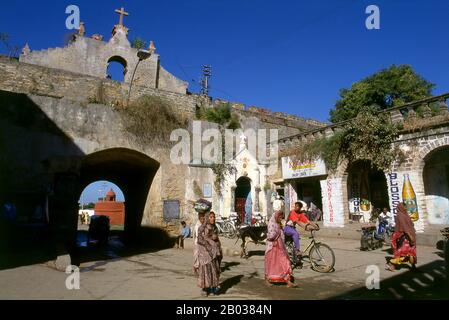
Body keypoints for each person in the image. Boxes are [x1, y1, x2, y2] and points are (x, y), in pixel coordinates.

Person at [265, 210, 296, 287]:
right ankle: (268, 279)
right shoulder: (272, 224)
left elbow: (282, 234)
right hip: (273, 247)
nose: (280, 219)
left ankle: (288, 281)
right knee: (272, 264)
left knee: (285, 261)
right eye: (279, 217)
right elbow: (271, 235)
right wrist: (278, 231)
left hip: (280, 247)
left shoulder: (279, 224)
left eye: (281, 217)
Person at [284, 202, 318, 267]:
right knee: (296, 234)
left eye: (297, 206)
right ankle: (297, 250)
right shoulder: (292, 213)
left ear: (300, 208)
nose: (296, 207)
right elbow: (298, 222)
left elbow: (307, 221)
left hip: (293, 228)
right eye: (295, 206)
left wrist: (315, 226)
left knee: (295, 236)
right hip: (287, 228)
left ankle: (296, 258)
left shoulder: (300, 214)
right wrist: (306, 227)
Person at [197, 211, 222, 296]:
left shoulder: (215, 227)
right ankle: (204, 288)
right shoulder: (202, 228)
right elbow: (199, 240)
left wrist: (218, 249)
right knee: (205, 270)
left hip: (214, 252)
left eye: (214, 217)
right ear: (207, 218)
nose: (213, 218)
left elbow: (217, 238)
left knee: (214, 270)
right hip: (205, 254)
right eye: (211, 217)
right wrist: (209, 242)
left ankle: (213, 287)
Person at [386, 203, 417, 271]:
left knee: (412, 253)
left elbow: (411, 224)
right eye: (404, 207)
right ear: (401, 208)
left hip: (410, 235)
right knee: (404, 253)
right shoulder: (400, 215)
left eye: (406, 207)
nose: (406, 208)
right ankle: (391, 263)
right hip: (405, 237)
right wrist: (410, 236)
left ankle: (413, 267)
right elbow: (404, 227)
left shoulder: (405, 214)